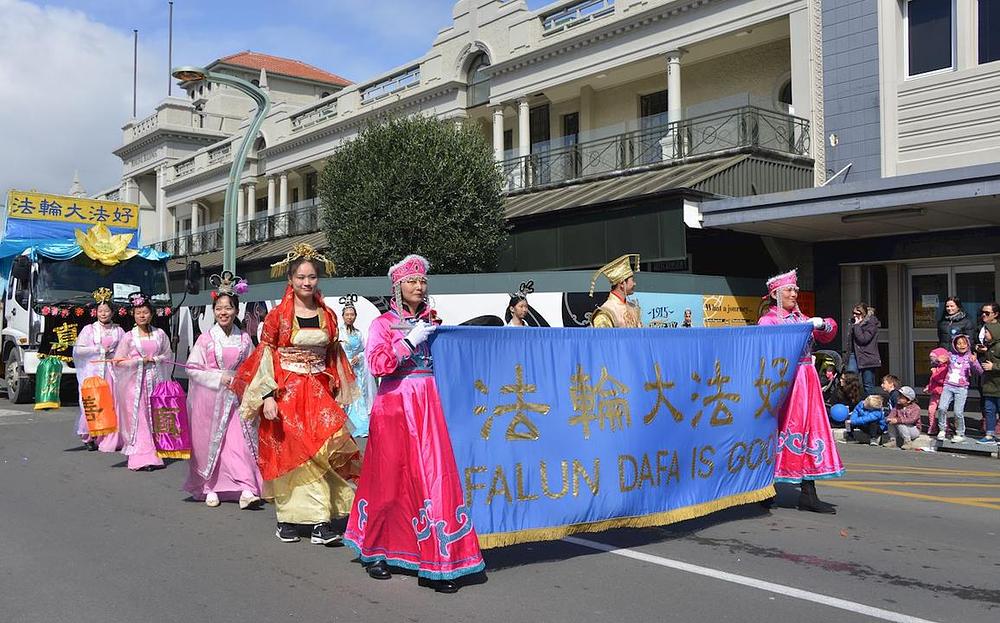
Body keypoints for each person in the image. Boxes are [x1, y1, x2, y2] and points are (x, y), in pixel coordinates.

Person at [343, 254, 485, 594]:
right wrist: (408, 342)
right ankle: (377, 551)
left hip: (427, 405)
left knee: (433, 477)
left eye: (422, 281)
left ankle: (438, 559)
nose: (419, 286)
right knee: (388, 480)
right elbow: (377, 364)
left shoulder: (433, 321)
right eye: (412, 281)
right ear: (397, 286)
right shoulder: (382, 324)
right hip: (394, 406)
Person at [233, 245, 361, 545]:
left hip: (319, 393)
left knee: (321, 451)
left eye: (312, 277)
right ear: (290, 279)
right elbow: (266, 358)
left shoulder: (328, 315)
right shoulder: (278, 317)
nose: (307, 282)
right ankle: (289, 519)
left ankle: (320, 519)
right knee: (292, 455)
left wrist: (338, 389)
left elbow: (333, 355)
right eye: (301, 277)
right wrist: (267, 396)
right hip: (287, 393)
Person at [758, 269, 843, 513]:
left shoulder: (800, 317)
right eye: (789, 290)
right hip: (784, 381)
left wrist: (822, 324)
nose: (794, 293)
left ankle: (808, 491)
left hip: (807, 380)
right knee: (779, 430)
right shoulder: (768, 321)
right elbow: (768, 350)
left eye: (795, 289)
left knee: (809, 430)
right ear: (775, 294)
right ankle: (765, 488)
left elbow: (828, 334)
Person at [183, 272, 263, 509]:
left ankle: (246, 487)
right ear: (213, 311)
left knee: (240, 443)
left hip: (237, 400)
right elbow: (192, 369)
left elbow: (253, 368)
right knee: (211, 445)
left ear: (236, 310)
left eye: (228, 308)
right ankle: (210, 486)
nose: (223, 312)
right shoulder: (206, 339)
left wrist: (242, 381)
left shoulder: (245, 340)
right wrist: (219, 377)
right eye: (219, 308)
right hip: (210, 401)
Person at [114, 292, 172, 471]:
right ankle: (142, 457)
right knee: (140, 419)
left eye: (145, 312)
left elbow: (168, 355)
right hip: (135, 384)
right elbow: (118, 361)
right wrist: (139, 361)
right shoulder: (128, 337)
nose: (142, 316)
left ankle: (156, 451)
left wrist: (156, 359)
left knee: (153, 416)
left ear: (151, 314)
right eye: (138, 313)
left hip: (155, 380)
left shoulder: (160, 334)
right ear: (133, 314)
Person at [72, 288, 126, 452]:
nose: (103, 314)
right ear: (95, 312)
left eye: (106, 311)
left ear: (112, 313)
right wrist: (99, 350)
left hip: (112, 372)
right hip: (94, 372)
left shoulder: (119, 330)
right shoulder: (89, 329)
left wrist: (116, 356)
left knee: (112, 403)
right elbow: (79, 351)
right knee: (93, 404)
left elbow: (124, 350)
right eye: (100, 311)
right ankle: (89, 436)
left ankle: (109, 436)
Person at [339, 294, 376, 445]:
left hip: (357, 369)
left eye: (352, 314)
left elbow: (364, 350)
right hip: (344, 367)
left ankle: (361, 424)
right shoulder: (339, 332)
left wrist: (359, 357)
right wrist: (346, 362)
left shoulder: (359, 333)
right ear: (343, 316)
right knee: (347, 396)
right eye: (347, 314)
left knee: (359, 396)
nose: (349, 317)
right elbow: (337, 350)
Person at [936, 334, 982, 443]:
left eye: (964, 343)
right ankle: (942, 429)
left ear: (968, 344)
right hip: (948, 386)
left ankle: (960, 433)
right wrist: (937, 360)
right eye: (959, 343)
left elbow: (980, 371)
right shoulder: (951, 355)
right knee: (942, 407)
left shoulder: (970, 357)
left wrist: (974, 362)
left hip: (961, 388)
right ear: (955, 345)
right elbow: (937, 359)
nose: (962, 345)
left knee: (958, 412)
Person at [589, 253, 642, 328]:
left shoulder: (633, 307)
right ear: (622, 283)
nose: (634, 283)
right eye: (632, 280)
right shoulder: (606, 312)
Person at [847, 303, 881, 397]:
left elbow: (863, 339)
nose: (854, 316)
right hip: (854, 355)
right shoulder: (853, 322)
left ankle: (871, 403)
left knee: (868, 384)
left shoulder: (871, 323)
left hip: (867, 356)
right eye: (853, 313)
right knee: (850, 381)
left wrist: (857, 326)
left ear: (863, 314)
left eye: (857, 314)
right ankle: (852, 402)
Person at [977, 319, 1000, 444]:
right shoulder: (988, 347)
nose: (984, 334)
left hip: (998, 386)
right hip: (989, 386)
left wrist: (994, 366)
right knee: (989, 410)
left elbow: (994, 364)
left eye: (986, 332)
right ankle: (989, 434)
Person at [924, 348, 950, 436]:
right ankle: (932, 427)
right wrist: (928, 387)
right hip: (934, 393)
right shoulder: (937, 367)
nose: (933, 361)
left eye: (934, 359)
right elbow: (932, 381)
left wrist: (934, 373)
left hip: (942, 393)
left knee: (942, 410)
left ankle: (945, 427)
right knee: (931, 410)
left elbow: (942, 380)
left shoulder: (945, 368)